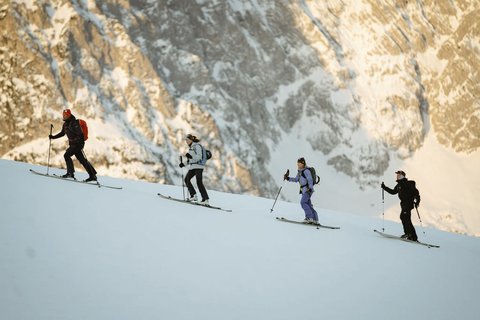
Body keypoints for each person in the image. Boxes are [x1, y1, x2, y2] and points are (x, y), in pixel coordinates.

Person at [49, 109, 97, 182]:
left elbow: (80, 135)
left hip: (78, 144)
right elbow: (62, 133)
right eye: (63, 115)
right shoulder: (65, 124)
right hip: (74, 144)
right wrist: (53, 137)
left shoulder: (74, 123)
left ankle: (70, 173)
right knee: (82, 160)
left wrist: (76, 142)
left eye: (66, 115)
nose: (64, 116)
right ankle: (92, 175)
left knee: (67, 155)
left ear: (69, 115)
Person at [381, 170, 420, 241]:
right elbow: (393, 192)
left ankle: (411, 235)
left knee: (405, 217)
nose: (397, 176)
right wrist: (384, 187)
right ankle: (410, 235)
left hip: (408, 203)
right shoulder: (399, 185)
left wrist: (417, 201)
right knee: (404, 218)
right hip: (403, 204)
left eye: (399, 175)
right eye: (397, 175)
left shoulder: (408, 184)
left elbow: (416, 193)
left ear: (402, 176)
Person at [284, 157, 319, 224]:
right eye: (297, 164)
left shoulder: (306, 171)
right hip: (304, 190)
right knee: (308, 204)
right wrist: (288, 178)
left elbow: (310, 179)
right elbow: (296, 179)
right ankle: (315, 219)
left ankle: (309, 218)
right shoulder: (300, 172)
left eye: (299, 164)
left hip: (307, 190)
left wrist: (310, 187)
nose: (298, 165)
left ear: (303, 163)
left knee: (303, 202)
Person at [179, 134, 210, 205]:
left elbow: (199, 157)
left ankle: (205, 199)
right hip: (193, 167)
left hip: (199, 166)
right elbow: (191, 160)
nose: (186, 141)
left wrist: (191, 157)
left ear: (191, 140)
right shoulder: (191, 147)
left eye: (187, 140)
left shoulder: (197, 146)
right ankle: (193, 196)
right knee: (187, 179)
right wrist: (183, 164)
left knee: (199, 182)